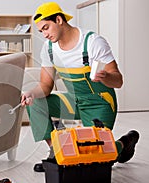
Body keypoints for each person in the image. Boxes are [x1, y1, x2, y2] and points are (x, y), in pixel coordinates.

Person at [21, 2, 140, 172]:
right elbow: (45, 86)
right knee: (36, 102)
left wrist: (106, 77)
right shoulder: (49, 49)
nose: (44, 34)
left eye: (46, 28)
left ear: (59, 19)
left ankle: (124, 144)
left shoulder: (92, 42)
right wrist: (30, 93)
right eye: (41, 31)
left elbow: (118, 81)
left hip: (99, 103)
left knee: (92, 158)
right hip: (73, 101)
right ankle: (57, 153)